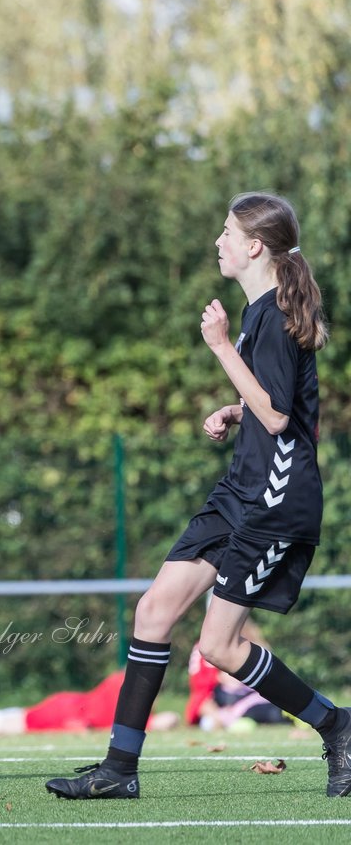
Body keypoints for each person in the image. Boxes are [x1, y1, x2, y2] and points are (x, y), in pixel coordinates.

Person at [46, 192, 350, 800]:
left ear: (254, 246)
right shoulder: (261, 311)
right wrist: (235, 410)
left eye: (227, 233)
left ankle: (338, 726)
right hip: (239, 491)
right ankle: (119, 771)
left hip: (273, 500)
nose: (219, 242)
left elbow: (278, 415)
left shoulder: (268, 315)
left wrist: (219, 351)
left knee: (218, 646)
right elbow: (270, 408)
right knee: (154, 611)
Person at [0, 671, 178, 737]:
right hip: (67, 713)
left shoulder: (120, 679)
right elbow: (167, 721)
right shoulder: (133, 699)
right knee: (7, 726)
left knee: (18, 717)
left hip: (68, 704)